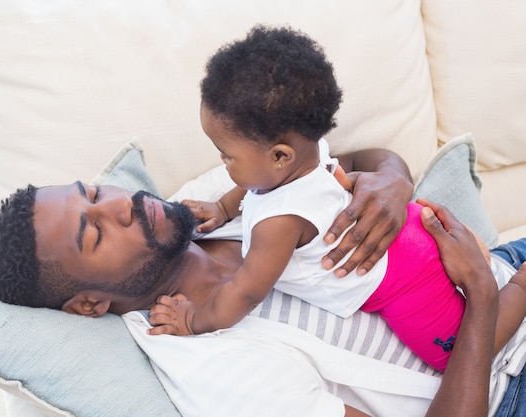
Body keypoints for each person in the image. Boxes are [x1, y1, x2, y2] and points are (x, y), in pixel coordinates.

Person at [0, 177, 526, 416]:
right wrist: (481, 292)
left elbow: (334, 155)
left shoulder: (211, 212)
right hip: (504, 374)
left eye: (93, 192)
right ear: (89, 304)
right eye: (93, 233)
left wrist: (390, 181)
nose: (122, 205)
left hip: (500, 265)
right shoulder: (214, 370)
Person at [147, 25, 526, 373]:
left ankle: (520, 287)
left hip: (405, 280)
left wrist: (193, 321)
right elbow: (255, 186)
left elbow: (245, 291)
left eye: (227, 155)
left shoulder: (278, 223)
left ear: (280, 156)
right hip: (410, 231)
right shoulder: (307, 157)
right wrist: (223, 207)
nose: (222, 162)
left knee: (459, 352)